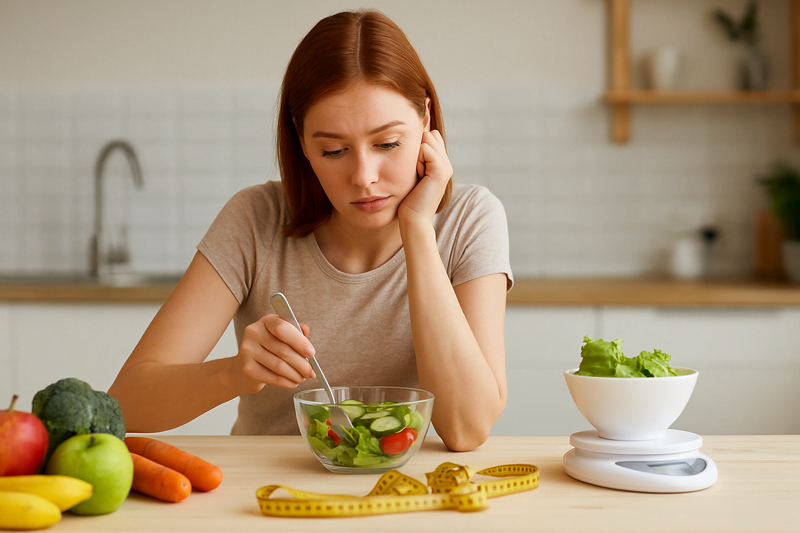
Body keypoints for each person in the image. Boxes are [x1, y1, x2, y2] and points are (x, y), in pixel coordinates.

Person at [108, 9, 512, 452]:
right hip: (262, 495)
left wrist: (417, 227)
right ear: (302, 142)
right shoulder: (255, 219)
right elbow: (126, 403)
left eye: (387, 144)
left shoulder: (470, 219)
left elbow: (467, 428)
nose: (364, 176)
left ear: (425, 121)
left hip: (401, 495)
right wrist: (235, 372)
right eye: (334, 150)